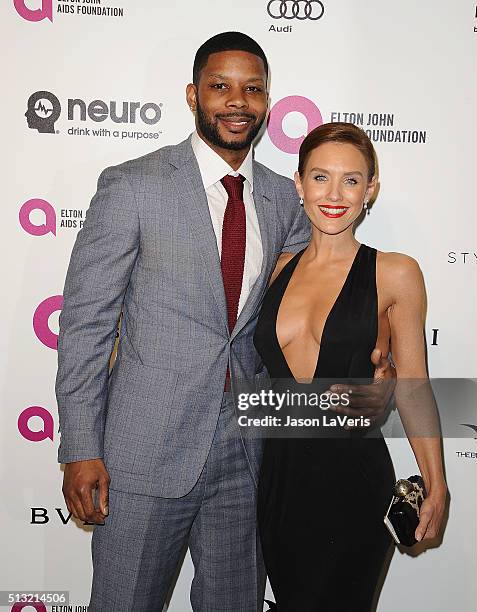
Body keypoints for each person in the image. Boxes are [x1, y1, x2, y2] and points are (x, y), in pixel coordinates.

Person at [56, 33, 393, 611]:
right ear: (193, 95)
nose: (237, 101)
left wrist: (379, 340)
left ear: (267, 101)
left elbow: (318, 296)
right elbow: (86, 325)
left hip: (248, 455)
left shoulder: (289, 201)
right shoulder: (134, 186)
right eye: (220, 86)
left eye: (252, 89)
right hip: (142, 454)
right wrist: (80, 446)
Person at [253, 122, 448, 611]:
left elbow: (414, 387)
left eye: (352, 180)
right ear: (298, 185)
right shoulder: (275, 270)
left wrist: (438, 484)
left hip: (353, 482)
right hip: (279, 484)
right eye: (320, 178)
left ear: (371, 191)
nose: (334, 194)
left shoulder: (395, 272)